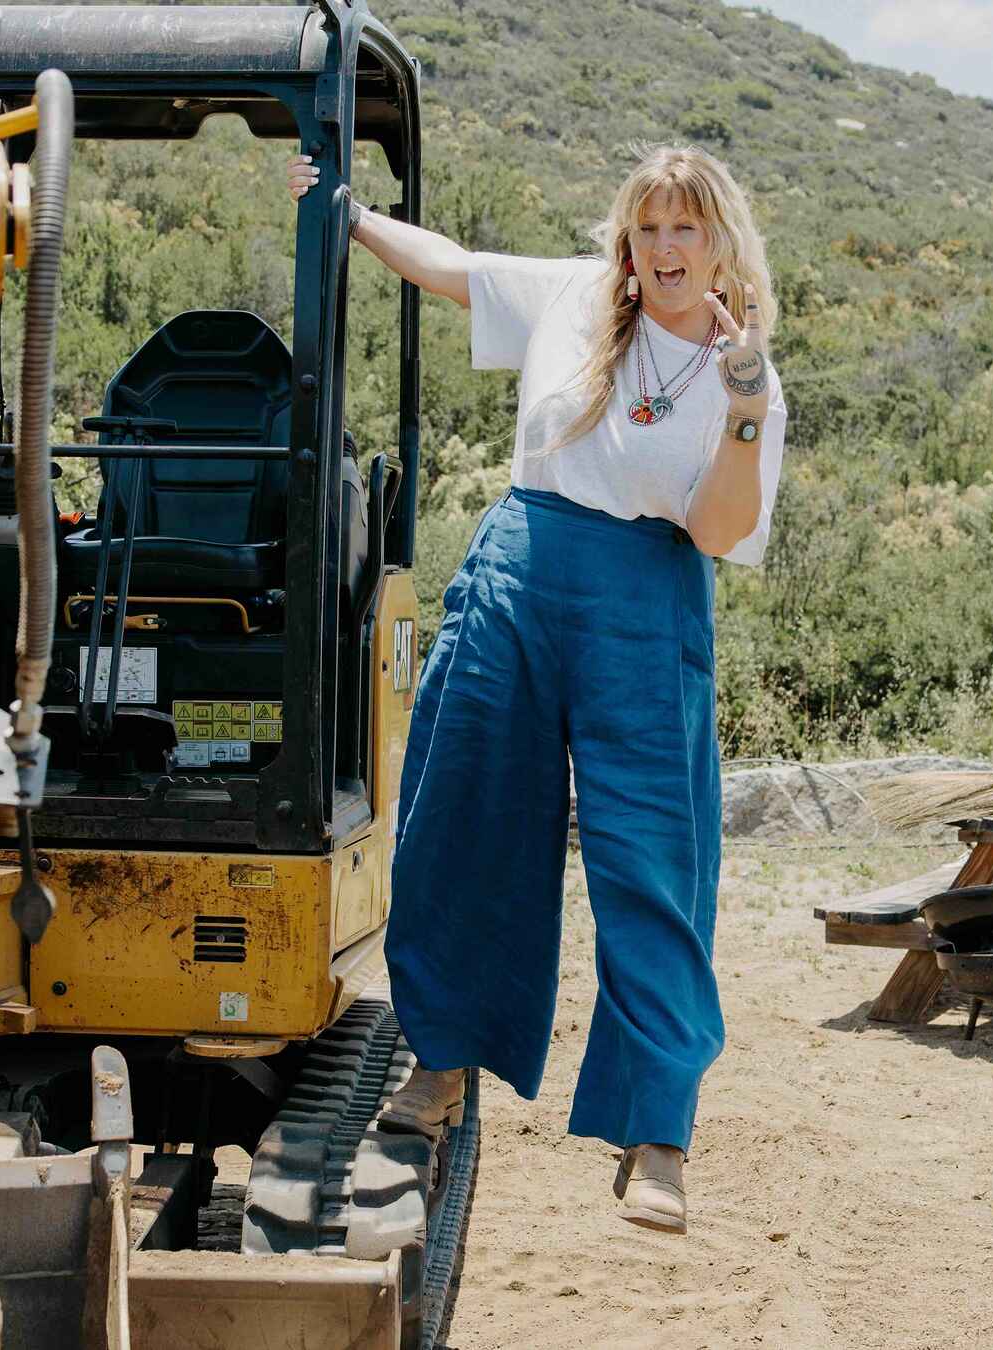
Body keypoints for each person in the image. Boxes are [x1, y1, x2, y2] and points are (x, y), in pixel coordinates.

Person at [287, 144, 785, 1234]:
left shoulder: (743, 372)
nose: (663, 248)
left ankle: (657, 1132)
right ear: (628, 236)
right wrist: (352, 215)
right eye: (647, 227)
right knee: (463, 820)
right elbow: (454, 268)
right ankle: (443, 1061)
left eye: (684, 229)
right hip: (521, 567)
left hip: (648, 594)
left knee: (654, 859)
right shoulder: (571, 297)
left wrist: (745, 403)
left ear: (718, 243)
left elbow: (718, 529)